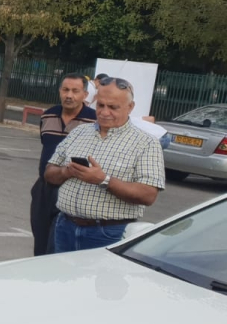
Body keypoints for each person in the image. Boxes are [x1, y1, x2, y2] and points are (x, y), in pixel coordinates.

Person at [44, 77, 165, 252]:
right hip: (65, 227)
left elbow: (148, 195)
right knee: (60, 270)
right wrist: (66, 172)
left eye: (113, 107)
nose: (104, 112)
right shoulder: (79, 133)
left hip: (109, 232)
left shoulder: (146, 143)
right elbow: (49, 173)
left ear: (130, 107)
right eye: (100, 105)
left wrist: (103, 180)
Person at [30, 73, 96, 256]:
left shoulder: (94, 121)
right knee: (40, 241)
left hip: (72, 188)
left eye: (75, 91)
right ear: (59, 91)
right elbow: (46, 145)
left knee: (57, 244)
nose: (69, 95)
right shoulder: (48, 115)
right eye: (65, 90)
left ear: (85, 95)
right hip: (44, 188)